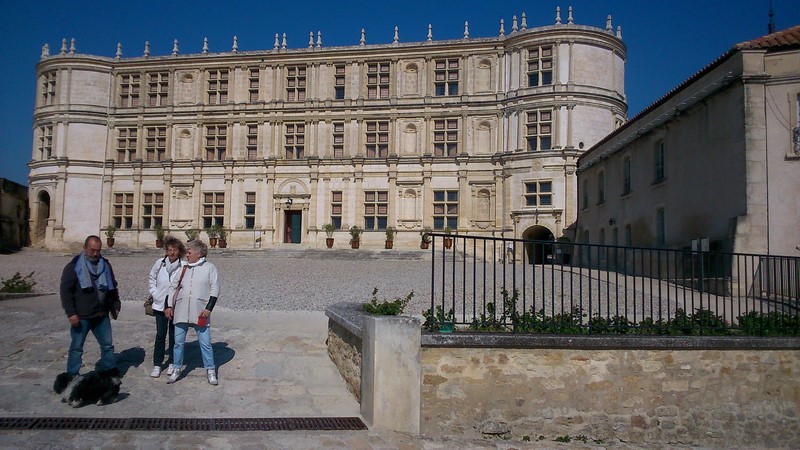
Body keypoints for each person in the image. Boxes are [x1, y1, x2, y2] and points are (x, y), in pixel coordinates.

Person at [59, 235, 121, 381]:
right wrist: (71, 313)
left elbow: (112, 286)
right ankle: (72, 375)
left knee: (107, 346)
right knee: (76, 347)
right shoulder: (73, 266)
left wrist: (116, 304)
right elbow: (65, 291)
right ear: (85, 248)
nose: (95, 254)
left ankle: (109, 372)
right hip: (82, 315)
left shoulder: (105, 265)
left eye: (98, 251)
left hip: (101, 313)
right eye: (92, 250)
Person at [165, 239, 220, 385]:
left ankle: (210, 369)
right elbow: (172, 287)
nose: (186, 255)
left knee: (206, 343)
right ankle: (176, 368)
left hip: (200, 311)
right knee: (178, 343)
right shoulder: (183, 268)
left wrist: (208, 308)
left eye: (189, 252)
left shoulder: (210, 268)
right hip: (181, 310)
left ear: (198, 253)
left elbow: (215, 290)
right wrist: (169, 306)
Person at [147, 235, 186, 378]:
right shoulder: (159, 263)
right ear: (166, 250)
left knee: (174, 335)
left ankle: (171, 362)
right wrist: (154, 293)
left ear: (179, 251)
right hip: (159, 304)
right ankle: (157, 364)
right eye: (170, 250)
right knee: (160, 335)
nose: (172, 252)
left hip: (176, 305)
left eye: (175, 250)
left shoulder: (183, 266)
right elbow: (152, 278)